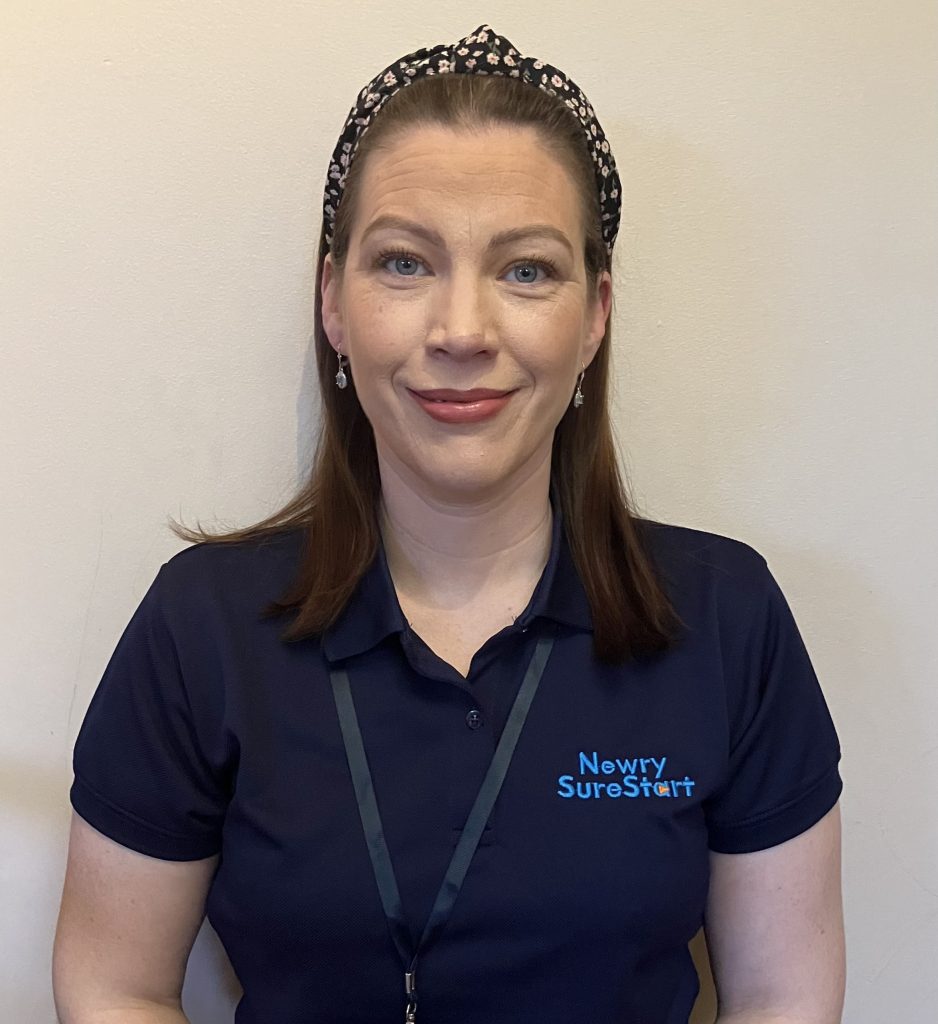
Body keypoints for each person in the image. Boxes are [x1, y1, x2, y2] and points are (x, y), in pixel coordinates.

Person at [52, 24, 845, 1024]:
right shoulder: (201, 625)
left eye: (526, 270)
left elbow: (782, 995)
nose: (462, 330)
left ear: (595, 316)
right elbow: (113, 983)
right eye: (403, 262)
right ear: (333, 304)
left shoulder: (726, 619)